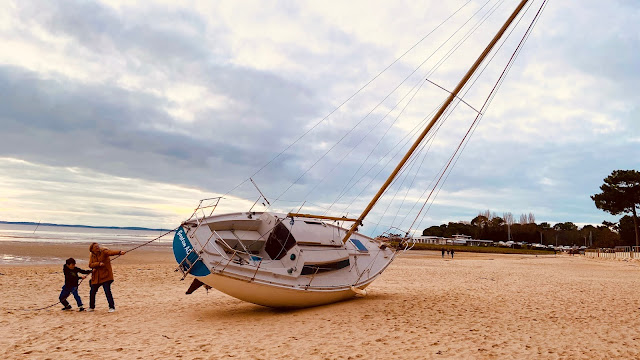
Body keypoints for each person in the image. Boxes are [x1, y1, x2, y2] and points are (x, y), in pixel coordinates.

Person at [88, 243, 125, 312]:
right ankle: (91, 307)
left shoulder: (103, 251)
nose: (97, 248)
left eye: (97, 246)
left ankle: (111, 307)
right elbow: (90, 265)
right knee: (92, 292)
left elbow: (111, 252)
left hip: (106, 276)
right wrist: (98, 264)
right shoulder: (92, 255)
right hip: (96, 277)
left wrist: (119, 252)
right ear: (92, 249)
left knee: (107, 292)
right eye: (95, 247)